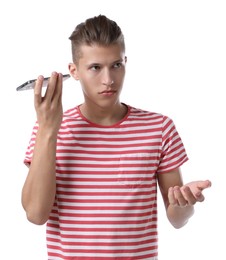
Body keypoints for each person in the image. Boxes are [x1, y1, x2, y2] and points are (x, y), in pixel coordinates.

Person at [21, 14, 211, 260]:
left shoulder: (159, 128)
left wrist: (185, 204)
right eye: (95, 68)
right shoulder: (48, 127)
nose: (108, 80)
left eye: (116, 65)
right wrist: (48, 130)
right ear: (74, 71)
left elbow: (176, 219)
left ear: (125, 61)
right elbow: (36, 215)